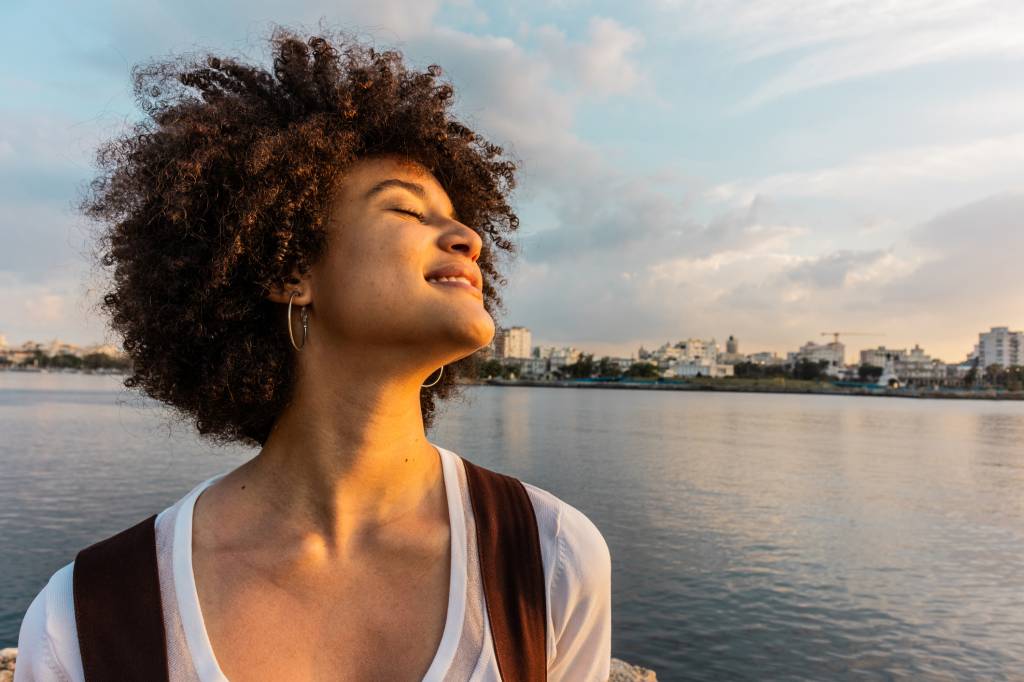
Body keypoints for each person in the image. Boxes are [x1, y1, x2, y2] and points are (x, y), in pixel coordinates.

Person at [14, 27, 611, 681]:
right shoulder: (88, 616)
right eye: (409, 211)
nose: (466, 236)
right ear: (289, 269)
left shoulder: (548, 555)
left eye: (459, 217)